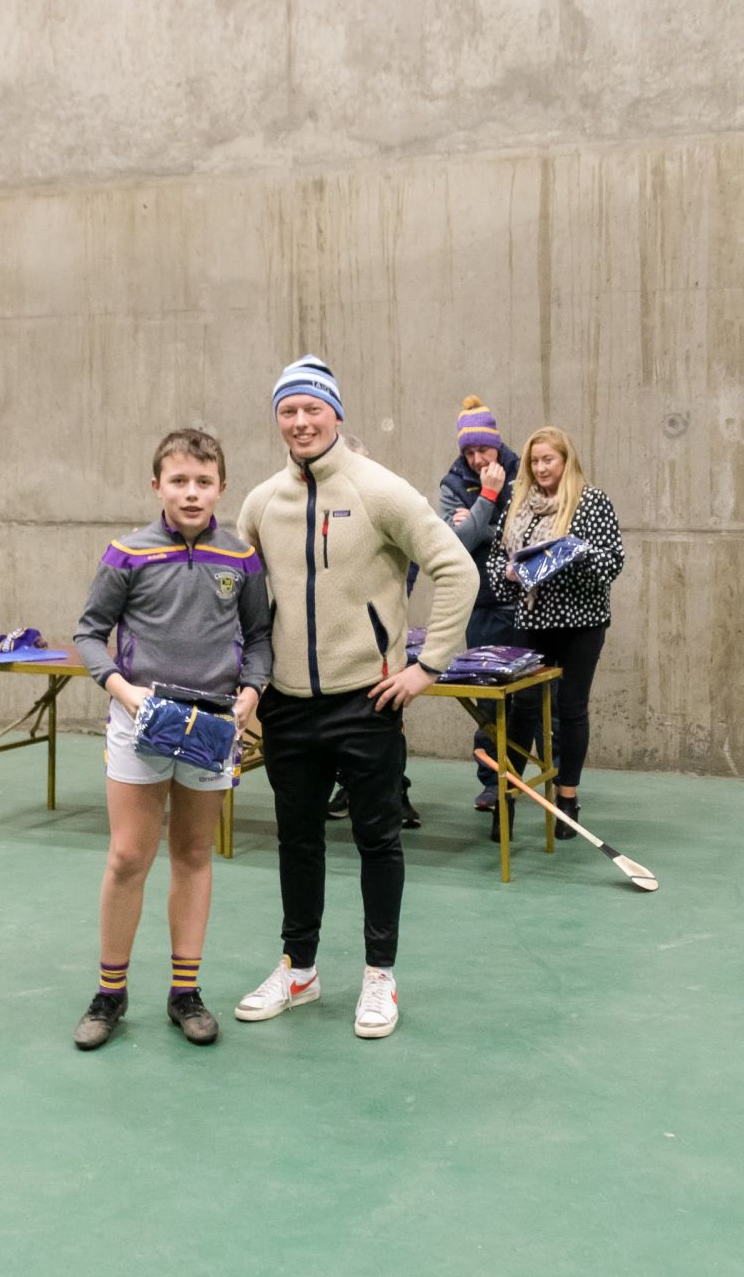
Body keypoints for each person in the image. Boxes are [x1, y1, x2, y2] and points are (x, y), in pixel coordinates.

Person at [235, 355, 478, 1039]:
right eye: (289, 410)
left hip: (365, 701)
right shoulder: (259, 503)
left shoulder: (380, 490)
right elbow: (242, 601)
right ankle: (300, 970)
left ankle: (379, 977)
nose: (301, 421)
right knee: (297, 842)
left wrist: (426, 667)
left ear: (336, 413)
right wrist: (248, 683)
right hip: (287, 704)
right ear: (278, 419)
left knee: (377, 841)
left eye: (313, 408)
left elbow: (456, 569)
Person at [71, 429, 272, 1050]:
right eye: (179, 481)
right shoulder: (125, 552)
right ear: (156, 484)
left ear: (222, 488)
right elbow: (87, 633)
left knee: (192, 853)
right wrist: (122, 691)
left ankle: (185, 992)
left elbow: (260, 637)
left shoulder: (241, 558)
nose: (191, 493)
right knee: (129, 855)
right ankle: (111, 993)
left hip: (213, 727)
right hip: (141, 721)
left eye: (203, 482)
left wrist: (251, 693)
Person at [486, 426, 623, 838]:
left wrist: (574, 552)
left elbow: (612, 563)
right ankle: (506, 799)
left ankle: (567, 798)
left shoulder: (592, 501)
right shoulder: (515, 501)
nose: (541, 467)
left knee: (571, 708)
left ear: (566, 461)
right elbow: (494, 558)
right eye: (535, 460)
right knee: (523, 708)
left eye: (549, 459)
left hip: (581, 622)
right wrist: (509, 572)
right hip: (531, 620)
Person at [325, 432, 421, 830]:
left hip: (377, 656)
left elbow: (411, 565)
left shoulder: (387, 506)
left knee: (385, 727)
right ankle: (347, 788)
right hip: (328, 658)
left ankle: (395, 794)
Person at [438, 395, 526, 812]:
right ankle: (493, 784)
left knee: (535, 697)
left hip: (527, 602)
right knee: (489, 699)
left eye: (483, 450)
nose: (476, 459)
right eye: (469, 452)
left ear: (498, 444)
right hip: (482, 604)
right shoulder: (452, 483)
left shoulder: (526, 473)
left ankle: (544, 777)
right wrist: (488, 498)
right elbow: (455, 543)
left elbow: (524, 539)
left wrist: (479, 525)